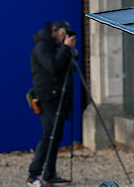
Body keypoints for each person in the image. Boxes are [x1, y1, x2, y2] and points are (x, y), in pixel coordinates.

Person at [27, 21, 77, 186]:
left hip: (58, 98)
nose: (65, 36)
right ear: (55, 30)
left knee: (55, 136)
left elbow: (67, 69)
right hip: (47, 98)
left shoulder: (55, 46)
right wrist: (65, 49)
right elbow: (53, 66)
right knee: (48, 135)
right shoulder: (42, 47)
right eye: (64, 32)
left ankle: (49, 174)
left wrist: (71, 53)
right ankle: (33, 175)